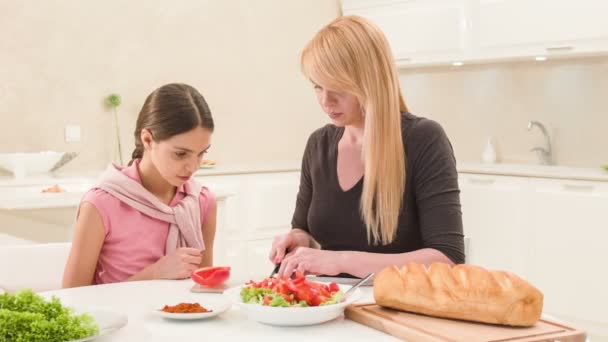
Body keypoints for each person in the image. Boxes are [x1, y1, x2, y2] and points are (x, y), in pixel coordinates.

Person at [269, 16, 465, 278]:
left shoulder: (424, 139)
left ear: (370, 81)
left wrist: (341, 261)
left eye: (338, 87)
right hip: (329, 304)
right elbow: (304, 229)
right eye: (317, 86)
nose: (326, 101)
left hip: (395, 309)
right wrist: (297, 241)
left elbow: (446, 259)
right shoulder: (318, 144)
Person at [63, 83, 217, 287]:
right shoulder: (101, 204)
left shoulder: (201, 201)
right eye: (180, 154)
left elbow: (204, 287)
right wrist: (155, 273)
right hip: (122, 319)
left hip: (186, 316)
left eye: (202, 153)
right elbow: (73, 296)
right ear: (147, 139)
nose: (193, 167)